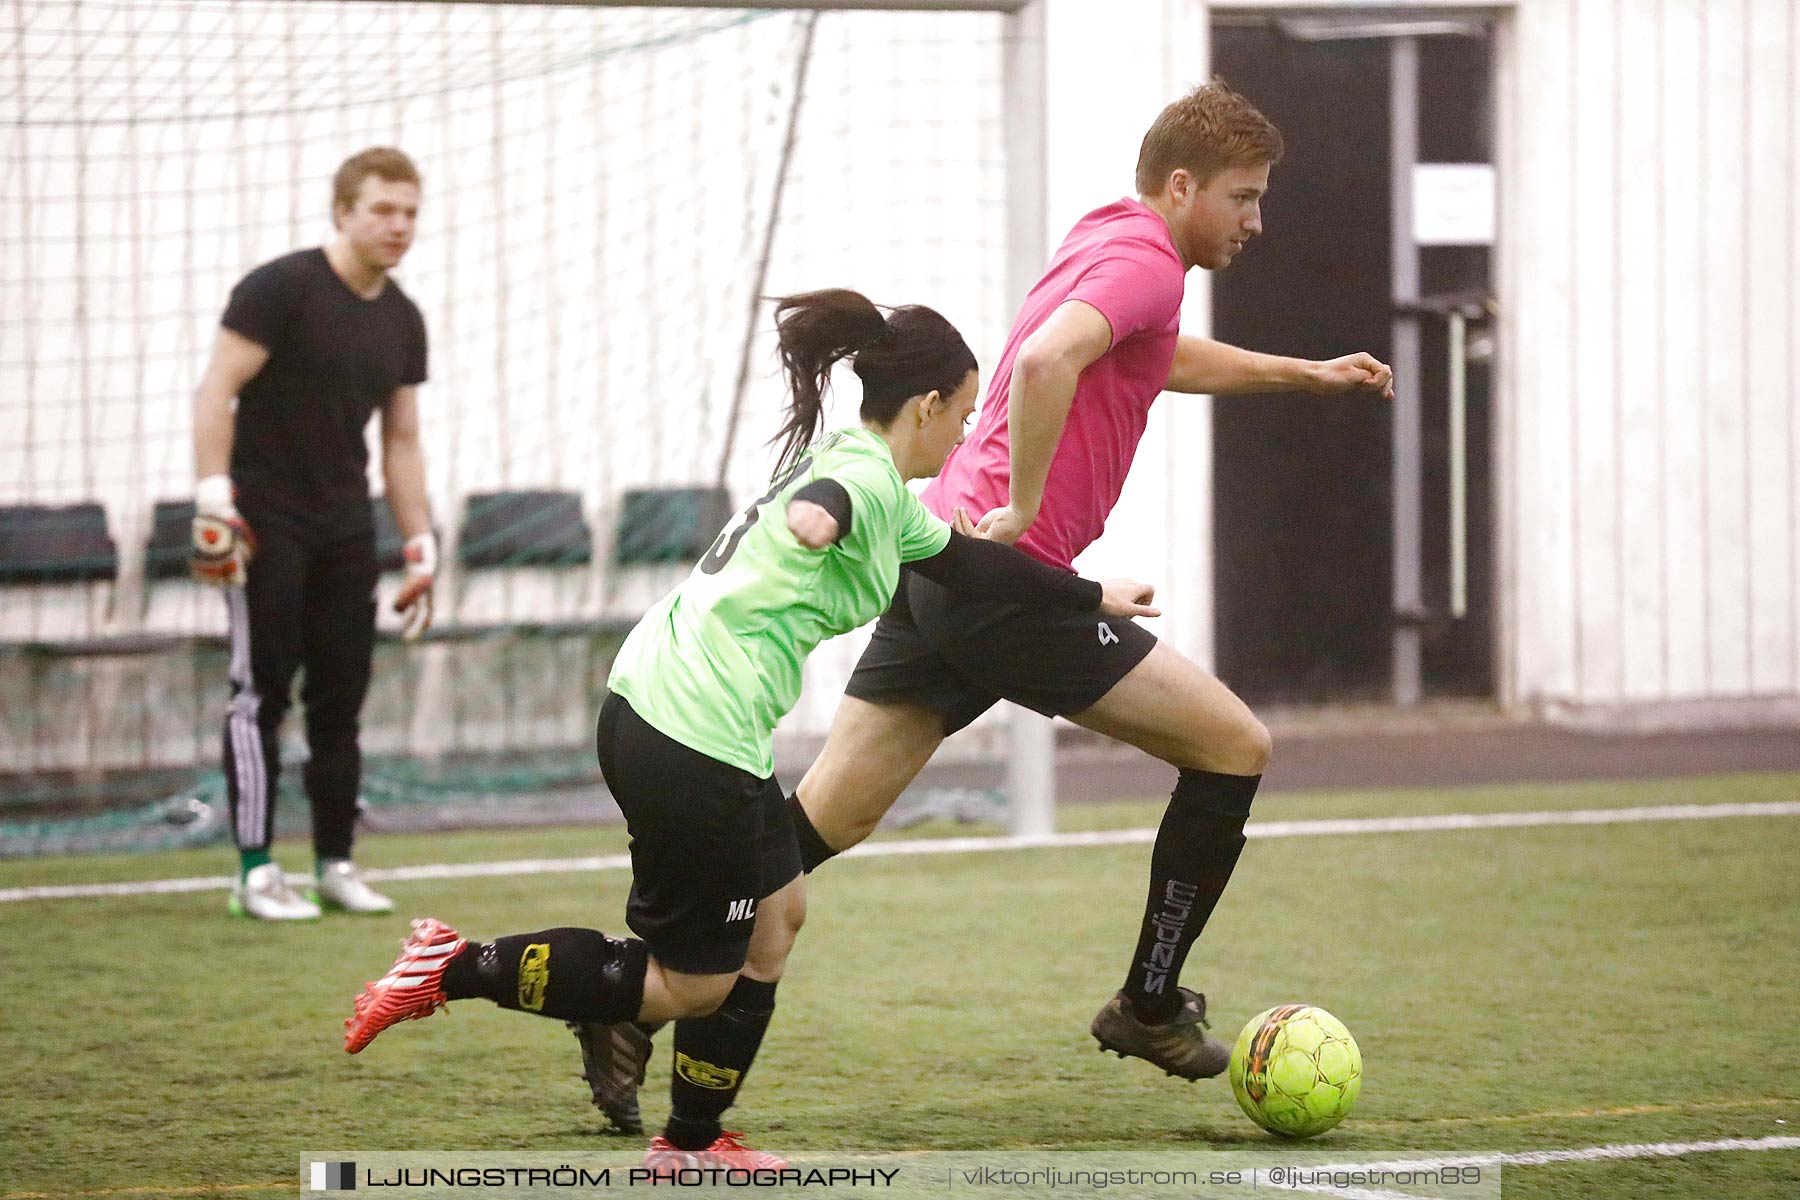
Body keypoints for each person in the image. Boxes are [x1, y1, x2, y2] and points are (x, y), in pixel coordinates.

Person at [340, 289, 1161, 1168]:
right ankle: (449, 968)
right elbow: (835, 505)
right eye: (962, 415)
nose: (964, 433)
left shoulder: (868, 473)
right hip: (694, 736)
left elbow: (973, 564)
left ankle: (691, 1140)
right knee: (693, 984)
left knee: (778, 922)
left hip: (659, 706)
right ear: (926, 407)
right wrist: (825, 519)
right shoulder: (858, 481)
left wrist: (1092, 594)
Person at [191, 147, 437, 922]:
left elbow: (401, 440)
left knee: (341, 699)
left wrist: (419, 542)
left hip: (344, 527)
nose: (400, 226)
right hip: (262, 522)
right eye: (383, 210)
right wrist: (212, 503)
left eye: (410, 212)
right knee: (258, 695)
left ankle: (335, 862)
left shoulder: (402, 317)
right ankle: (256, 870)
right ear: (343, 212)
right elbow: (216, 391)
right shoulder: (280, 289)